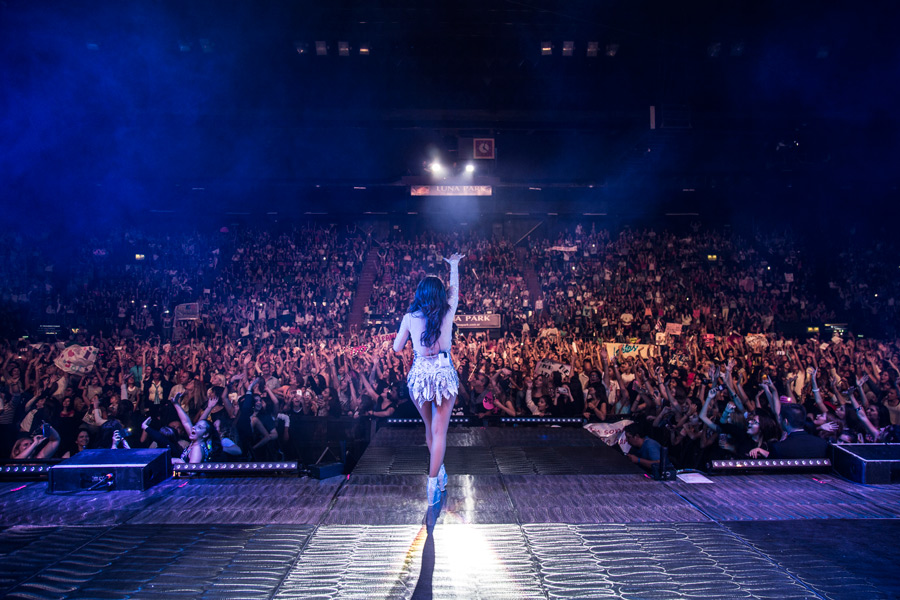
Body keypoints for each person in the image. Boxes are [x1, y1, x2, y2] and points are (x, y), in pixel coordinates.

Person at [393, 252, 464, 505]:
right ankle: (433, 483)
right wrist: (454, 265)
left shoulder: (409, 317)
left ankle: (439, 473)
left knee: (429, 428)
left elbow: (396, 348)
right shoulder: (447, 311)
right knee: (439, 432)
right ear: (440, 295)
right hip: (443, 374)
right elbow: (455, 291)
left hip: (420, 376)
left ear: (419, 294)